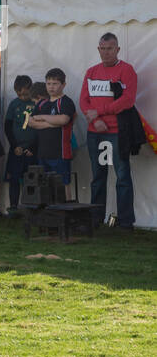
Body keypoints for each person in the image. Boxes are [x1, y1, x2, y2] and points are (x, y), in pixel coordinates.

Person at [79, 33, 138, 230]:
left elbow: (127, 100)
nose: (106, 52)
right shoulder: (91, 72)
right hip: (95, 131)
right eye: (102, 49)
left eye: (110, 48)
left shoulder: (127, 70)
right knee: (98, 176)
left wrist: (101, 112)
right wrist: (95, 120)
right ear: (98, 49)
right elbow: (83, 100)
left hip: (117, 132)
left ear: (118, 49)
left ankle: (126, 222)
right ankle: (95, 219)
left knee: (122, 176)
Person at [26, 67, 76, 189]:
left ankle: (65, 208)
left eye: (55, 84)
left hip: (60, 153)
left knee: (63, 185)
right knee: (44, 186)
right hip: (43, 153)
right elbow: (30, 121)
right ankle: (49, 208)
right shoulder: (43, 103)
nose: (51, 87)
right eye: (48, 84)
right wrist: (52, 123)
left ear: (63, 85)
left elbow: (64, 120)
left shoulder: (66, 101)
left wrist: (43, 117)